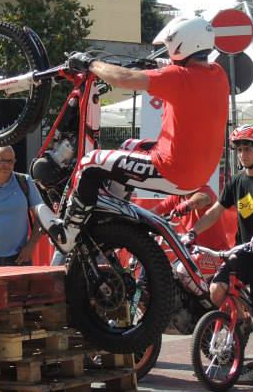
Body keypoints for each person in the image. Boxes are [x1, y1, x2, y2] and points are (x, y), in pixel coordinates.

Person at [46, 16, 230, 253]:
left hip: (173, 171)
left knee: (89, 163)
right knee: (129, 145)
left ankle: (67, 234)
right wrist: (156, 64)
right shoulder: (218, 74)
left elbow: (123, 78)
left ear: (181, 45)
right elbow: (175, 69)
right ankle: (112, 218)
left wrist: (90, 63)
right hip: (199, 172)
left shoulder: (178, 77)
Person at [189, 124, 253, 384]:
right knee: (217, 290)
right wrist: (192, 232)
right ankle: (242, 322)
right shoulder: (237, 181)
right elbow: (214, 211)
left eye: (248, 149)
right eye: (239, 150)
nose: (242, 154)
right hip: (242, 252)